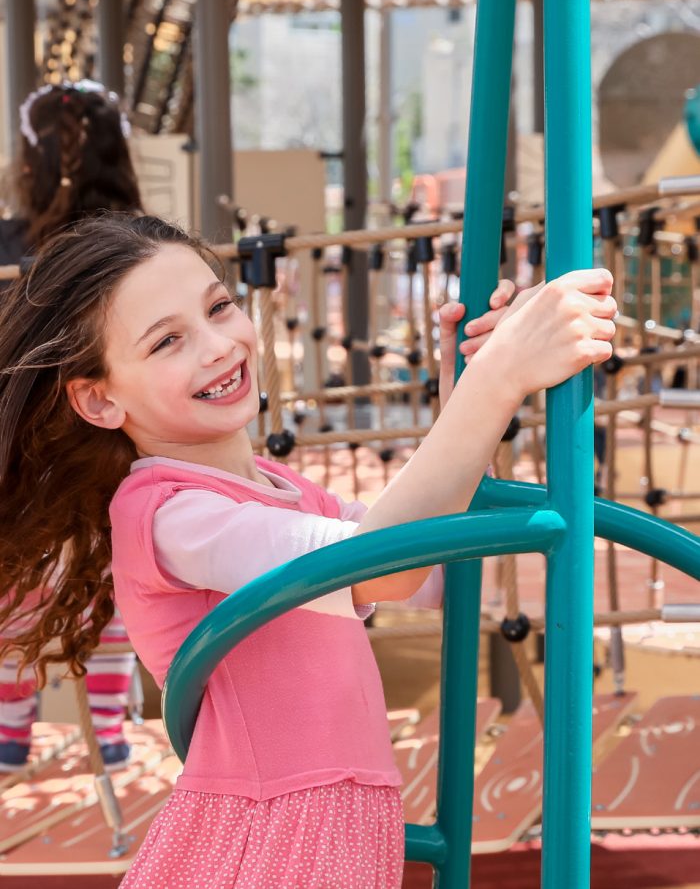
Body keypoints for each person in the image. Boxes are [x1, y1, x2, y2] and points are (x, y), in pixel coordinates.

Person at [0, 213, 616, 887]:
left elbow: (431, 572)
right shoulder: (169, 514)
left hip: (330, 826)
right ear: (98, 398)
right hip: (271, 836)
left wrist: (467, 396)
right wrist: (493, 381)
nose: (216, 345)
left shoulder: (281, 487)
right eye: (167, 341)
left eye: (218, 307)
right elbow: (384, 566)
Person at [0, 81, 143, 771]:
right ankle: (110, 732)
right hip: (121, 445)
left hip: (24, 454)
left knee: (14, 583)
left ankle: (10, 733)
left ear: (28, 163)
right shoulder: (144, 245)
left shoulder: (8, 248)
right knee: (112, 580)